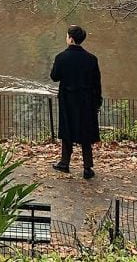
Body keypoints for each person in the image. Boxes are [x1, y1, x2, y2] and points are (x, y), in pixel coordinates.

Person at [50, 25, 102, 180]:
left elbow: (54, 76)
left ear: (71, 39)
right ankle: (87, 167)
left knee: (67, 130)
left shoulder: (61, 57)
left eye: (67, 36)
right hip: (86, 100)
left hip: (67, 99)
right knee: (85, 132)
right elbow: (96, 83)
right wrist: (97, 101)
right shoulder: (91, 59)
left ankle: (64, 163)